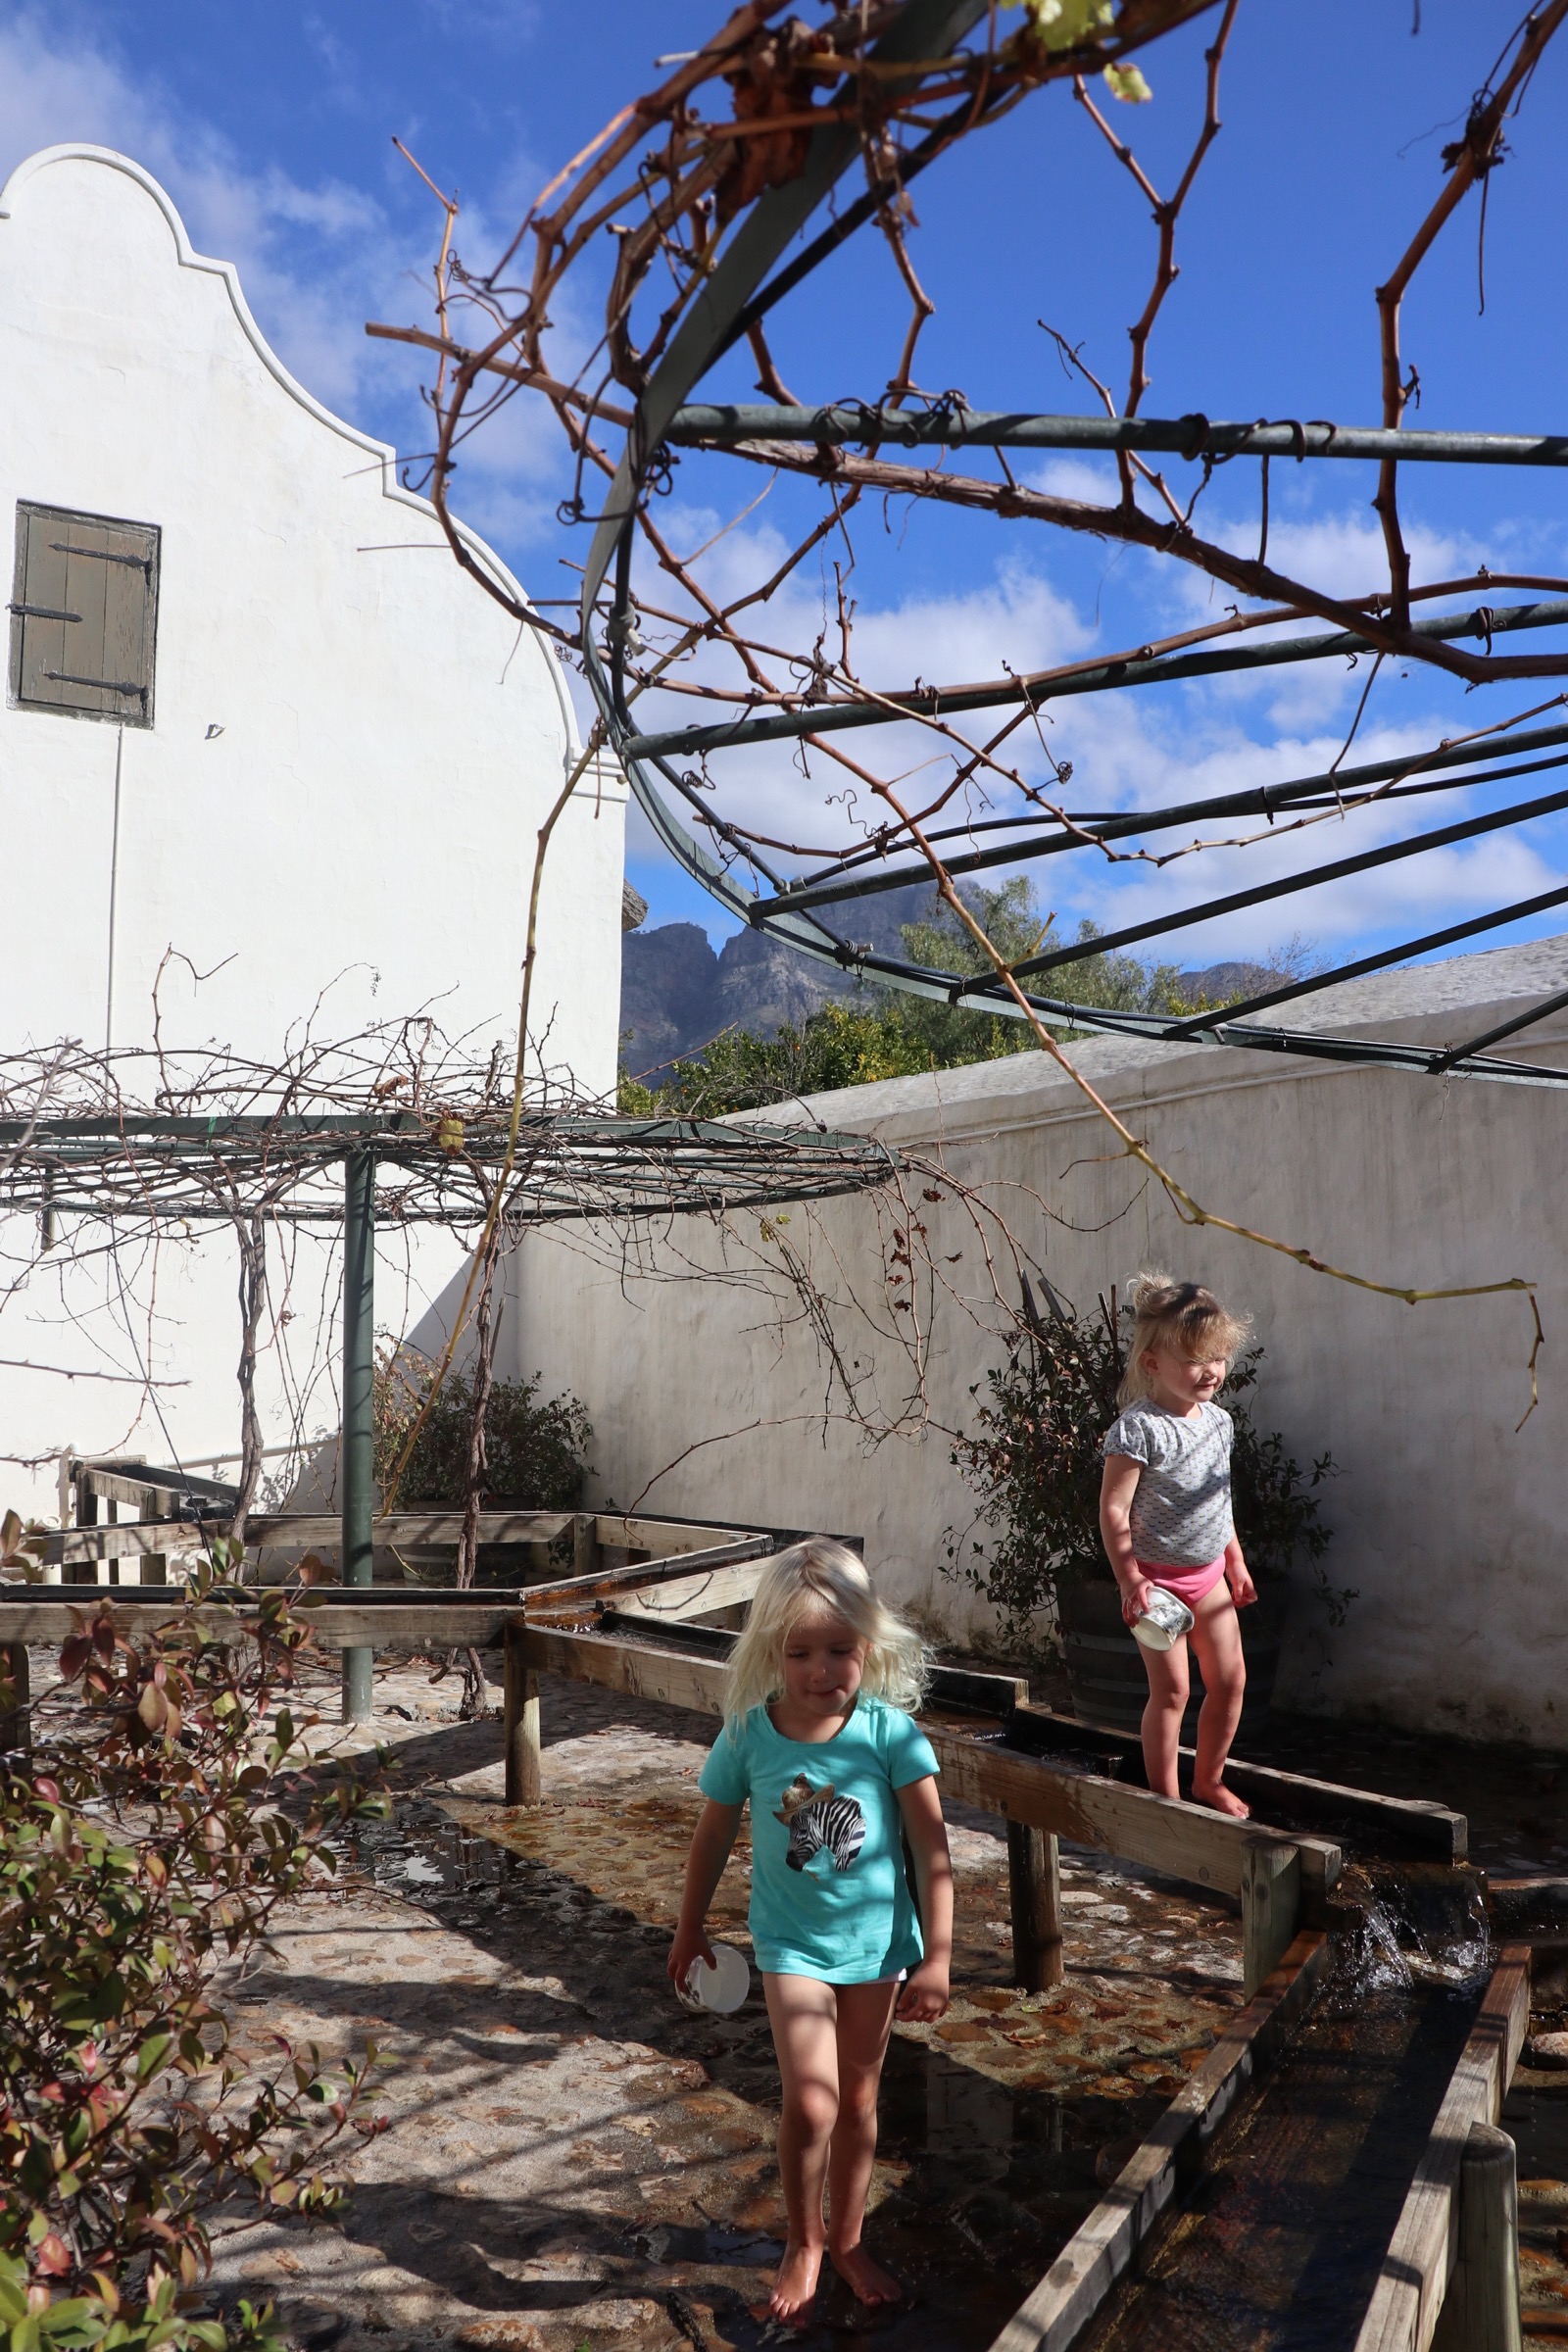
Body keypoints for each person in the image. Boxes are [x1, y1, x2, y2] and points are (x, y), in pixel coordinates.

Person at [667, 1539, 953, 2327]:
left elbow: (932, 1848)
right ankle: (804, 2240)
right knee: (814, 2101)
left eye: (839, 1650)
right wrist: (689, 1927)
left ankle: (850, 2239)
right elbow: (713, 1835)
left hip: (878, 1951)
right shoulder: (749, 1737)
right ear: (771, 1651)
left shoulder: (891, 1735)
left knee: (858, 2100)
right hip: (790, 1950)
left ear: (868, 1644)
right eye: (800, 1654)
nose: (822, 1671)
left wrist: (937, 1957)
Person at [1098, 1272, 1256, 1818]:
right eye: (1194, 1359)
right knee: (1172, 1693)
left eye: (1218, 1356)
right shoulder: (1138, 1429)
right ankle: (1165, 1802)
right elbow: (1114, 1510)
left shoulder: (1219, 1423)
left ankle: (1208, 1781)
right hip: (1156, 1586)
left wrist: (1234, 1560)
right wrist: (1129, 1579)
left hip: (1209, 1579)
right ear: (1153, 1364)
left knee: (1230, 1681)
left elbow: (1218, 1499)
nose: (1211, 1369)